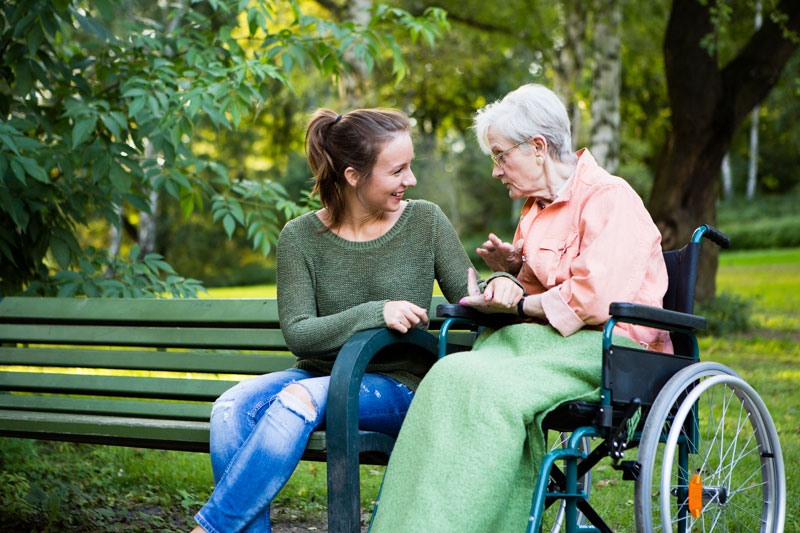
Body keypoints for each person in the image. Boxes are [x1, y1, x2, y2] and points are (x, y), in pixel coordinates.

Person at [369, 84, 670, 532]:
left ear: (537, 147)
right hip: (541, 342)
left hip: (609, 348)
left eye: (499, 155)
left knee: (488, 390)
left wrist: (524, 299)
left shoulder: (611, 197)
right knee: (447, 376)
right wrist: (511, 273)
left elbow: (593, 299)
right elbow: (534, 290)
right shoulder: (535, 210)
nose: (495, 171)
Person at [190, 107, 487, 533]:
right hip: (319, 377)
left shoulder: (426, 222)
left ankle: (210, 529)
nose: (411, 180)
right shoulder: (299, 237)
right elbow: (299, 334)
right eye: (398, 170)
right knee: (231, 408)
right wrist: (376, 311)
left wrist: (507, 279)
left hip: (399, 386)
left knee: (297, 400)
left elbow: (471, 296)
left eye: (410, 168)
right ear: (353, 176)